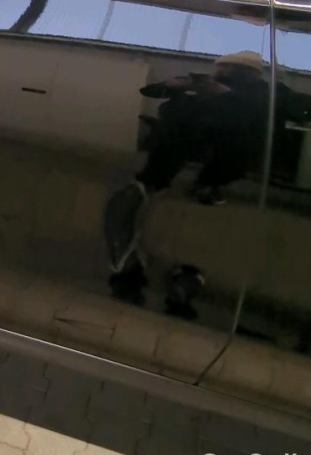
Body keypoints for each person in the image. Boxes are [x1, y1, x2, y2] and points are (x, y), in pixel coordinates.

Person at [104, 50, 270, 297]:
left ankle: (206, 183)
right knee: (176, 120)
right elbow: (148, 91)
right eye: (221, 67)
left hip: (228, 140)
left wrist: (226, 94)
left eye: (231, 69)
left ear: (251, 73)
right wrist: (172, 85)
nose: (223, 72)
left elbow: (261, 112)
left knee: (236, 140)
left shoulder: (261, 92)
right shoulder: (202, 85)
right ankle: (153, 181)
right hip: (191, 136)